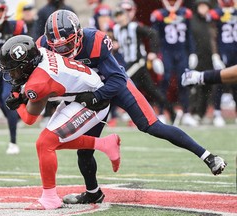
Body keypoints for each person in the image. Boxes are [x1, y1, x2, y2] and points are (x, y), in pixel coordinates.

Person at [40, 9, 227, 204]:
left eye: (68, 44)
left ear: (78, 34)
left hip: (113, 86)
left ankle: (208, 156)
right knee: (85, 150)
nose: (63, 51)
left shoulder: (94, 40)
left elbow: (118, 80)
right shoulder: (44, 46)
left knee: (153, 126)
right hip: (88, 94)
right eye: (57, 47)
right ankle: (93, 192)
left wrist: (96, 97)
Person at [0, 35, 121, 210]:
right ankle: (104, 144)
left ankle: (50, 198)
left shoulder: (39, 82)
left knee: (45, 143)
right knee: (52, 141)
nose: (12, 74)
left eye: (14, 70)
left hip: (93, 102)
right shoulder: (39, 53)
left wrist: (17, 104)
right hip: (81, 95)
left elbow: (30, 118)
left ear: (26, 66)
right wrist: (21, 94)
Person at [113, 6, 178, 125]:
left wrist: (153, 52)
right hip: (129, 63)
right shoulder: (116, 29)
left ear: (126, 16)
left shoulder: (135, 27)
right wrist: (115, 45)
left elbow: (153, 34)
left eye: (121, 15)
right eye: (117, 16)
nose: (120, 18)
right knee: (152, 91)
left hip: (138, 63)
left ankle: (131, 114)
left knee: (122, 85)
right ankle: (171, 112)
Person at [0, 0, 27, 155]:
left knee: (5, 98)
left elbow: (26, 46)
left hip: (10, 71)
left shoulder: (16, 26)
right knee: (3, 103)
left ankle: (13, 142)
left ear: (4, 11)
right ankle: (18, 116)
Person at [150, 0, 199, 126]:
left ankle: (187, 113)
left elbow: (189, 35)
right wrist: (155, 55)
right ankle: (161, 113)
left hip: (182, 51)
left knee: (185, 81)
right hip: (166, 52)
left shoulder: (185, 13)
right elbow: (154, 36)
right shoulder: (159, 14)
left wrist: (193, 52)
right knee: (164, 81)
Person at [189, 0, 226, 126]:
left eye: (205, 6)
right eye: (201, 6)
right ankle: (191, 113)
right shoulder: (192, 20)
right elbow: (190, 38)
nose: (203, 8)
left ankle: (201, 114)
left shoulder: (212, 21)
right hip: (196, 58)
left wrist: (216, 56)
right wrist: (192, 53)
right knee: (194, 86)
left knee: (208, 86)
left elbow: (215, 39)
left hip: (210, 58)